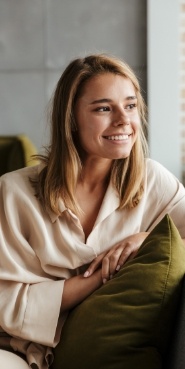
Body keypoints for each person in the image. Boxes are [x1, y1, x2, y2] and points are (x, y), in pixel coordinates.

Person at [0, 53, 185, 369]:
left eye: (130, 105)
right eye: (103, 108)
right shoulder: (14, 192)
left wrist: (144, 240)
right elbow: (7, 306)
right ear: (70, 119)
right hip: (14, 351)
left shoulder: (154, 182)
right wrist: (100, 275)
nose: (123, 120)